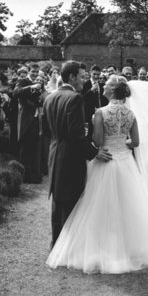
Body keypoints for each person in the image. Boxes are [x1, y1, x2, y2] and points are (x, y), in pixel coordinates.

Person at [46, 74, 148, 273]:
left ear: (112, 90)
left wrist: (103, 141)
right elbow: (136, 142)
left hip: (106, 160)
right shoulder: (131, 114)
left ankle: (102, 247)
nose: (102, 86)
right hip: (125, 162)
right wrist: (122, 144)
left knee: (99, 205)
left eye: (106, 85)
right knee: (128, 205)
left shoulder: (101, 113)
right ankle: (129, 247)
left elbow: (97, 141)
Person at [43, 61, 112, 247]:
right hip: (70, 157)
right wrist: (94, 152)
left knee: (58, 202)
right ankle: (68, 249)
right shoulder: (75, 98)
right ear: (72, 77)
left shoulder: (50, 97)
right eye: (81, 76)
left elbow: (46, 130)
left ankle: (56, 245)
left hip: (54, 153)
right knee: (71, 202)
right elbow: (76, 135)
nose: (84, 80)